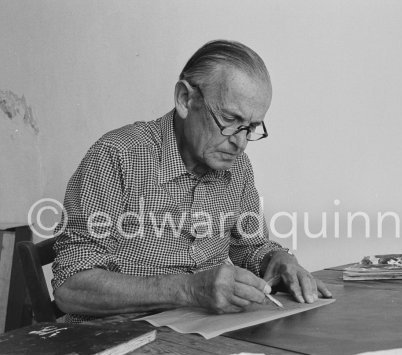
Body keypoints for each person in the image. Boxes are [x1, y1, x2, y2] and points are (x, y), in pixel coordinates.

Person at [52, 40, 332, 323]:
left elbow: (250, 246)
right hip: (117, 338)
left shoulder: (238, 167)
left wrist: (279, 261)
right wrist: (188, 289)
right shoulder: (117, 156)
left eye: (251, 128)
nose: (240, 142)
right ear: (185, 99)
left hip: (200, 335)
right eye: (230, 119)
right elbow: (71, 287)